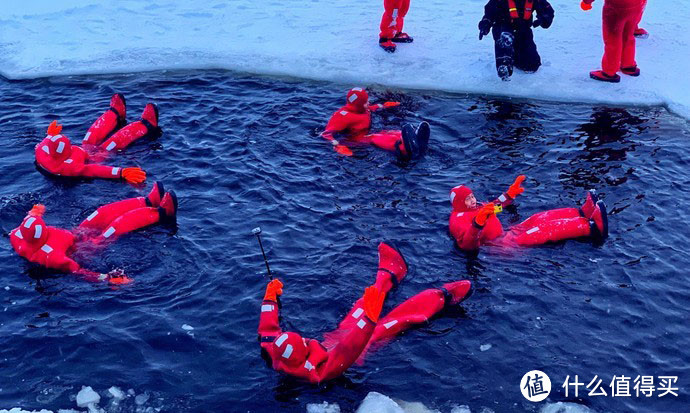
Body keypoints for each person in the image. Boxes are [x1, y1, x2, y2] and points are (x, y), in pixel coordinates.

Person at [257, 242, 472, 384]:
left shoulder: (278, 354)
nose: (306, 339)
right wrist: (369, 321)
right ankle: (442, 297)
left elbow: (268, 331)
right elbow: (348, 349)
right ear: (303, 353)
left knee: (363, 303)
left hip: (335, 337)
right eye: (304, 343)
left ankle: (389, 274)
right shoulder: (320, 372)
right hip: (359, 347)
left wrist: (270, 297)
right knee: (395, 322)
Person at [9, 182, 177, 285]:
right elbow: (79, 272)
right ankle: (162, 213)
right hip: (83, 251)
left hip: (75, 235)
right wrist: (107, 278)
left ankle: (148, 201)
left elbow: (31, 219)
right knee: (114, 228)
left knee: (100, 213)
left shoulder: (19, 234)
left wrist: (36, 211)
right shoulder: (54, 258)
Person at [448, 176, 608, 251]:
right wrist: (478, 223)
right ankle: (591, 227)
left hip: (507, 234)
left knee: (537, 218)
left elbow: (496, 206)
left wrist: (509, 195)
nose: (473, 200)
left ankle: (581, 212)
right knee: (542, 230)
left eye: (472, 196)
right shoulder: (457, 220)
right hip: (500, 247)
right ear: (460, 203)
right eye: (468, 199)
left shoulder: (477, 207)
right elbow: (467, 245)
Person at [35, 94, 161, 183]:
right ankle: (146, 125)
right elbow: (95, 170)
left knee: (90, 137)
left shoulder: (43, 150)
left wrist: (52, 134)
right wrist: (121, 173)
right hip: (91, 159)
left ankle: (114, 113)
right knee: (110, 146)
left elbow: (49, 140)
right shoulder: (70, 168)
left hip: (82, 150)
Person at [322, 88, 429, 161]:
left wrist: (384, 105)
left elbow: (371, 108)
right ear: (357, 105)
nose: (368, 103)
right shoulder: (342, 116)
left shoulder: (361, 108)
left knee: (394, 133)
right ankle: (406, 148)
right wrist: (338, 146)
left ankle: (414, 139)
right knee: (380, 138)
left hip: (367, 133)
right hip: (357, 140)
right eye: (365, 102)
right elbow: (326, 134)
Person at [478, 0, 555, 80]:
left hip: (523, 30)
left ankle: (515, 55)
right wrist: (485, 23)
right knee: (505, 38)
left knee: (531, 65)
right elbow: (490, 11)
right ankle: (504, 65)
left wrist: (543, 19)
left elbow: (548, 10)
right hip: (503, 27)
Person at [582, 0, 645, 82]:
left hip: (616, 8)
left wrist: (587, 2)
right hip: (637, 6)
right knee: (628, 35)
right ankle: (629, 65)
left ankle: (609, 72)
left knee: (613, 39)